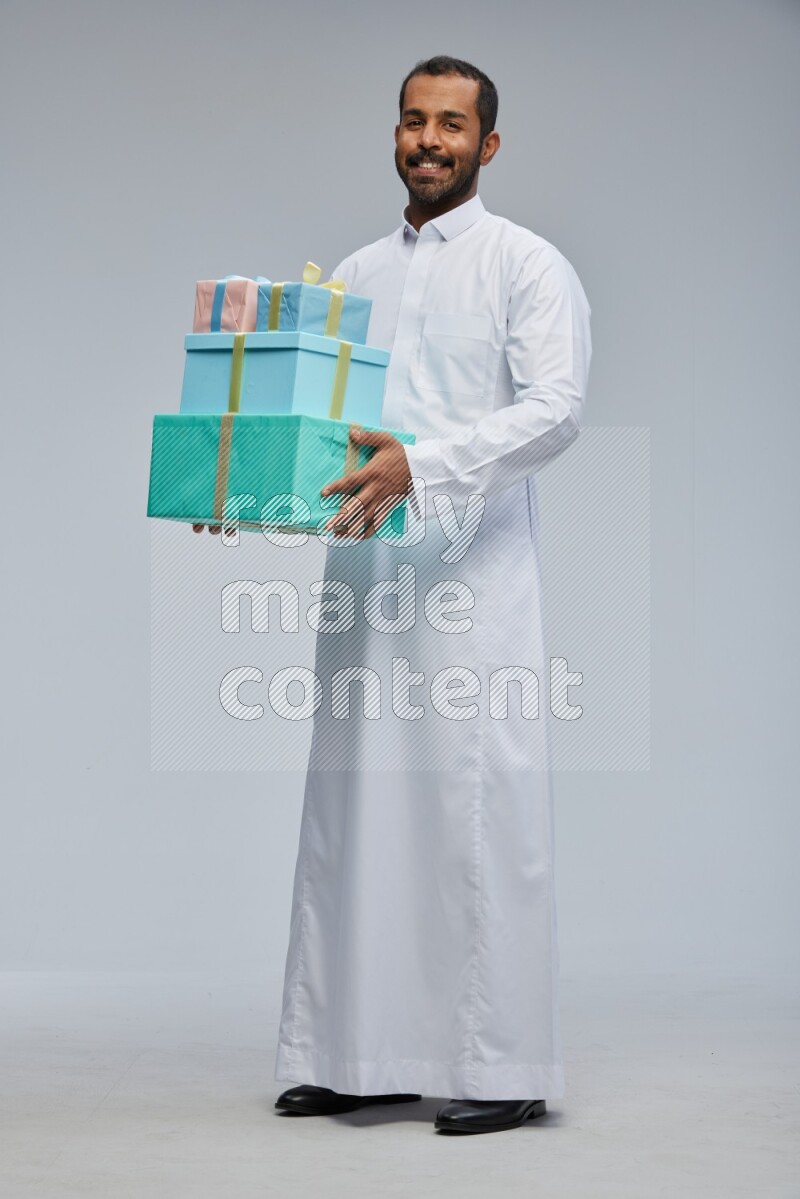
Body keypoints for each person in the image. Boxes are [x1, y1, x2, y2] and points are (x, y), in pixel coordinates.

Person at [266, 55, 591, 1136]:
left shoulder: (523, 264)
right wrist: (251, 493)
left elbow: (554, 409)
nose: (429, 140)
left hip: (470, 583)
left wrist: (428, 464)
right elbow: (319, 429)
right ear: (393, 134)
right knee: (355, 811)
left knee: (476, 812)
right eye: (413, 121)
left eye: (452, 125)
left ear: (486, 145)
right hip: (363, 576)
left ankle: (500, 1064)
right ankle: (353, 1053)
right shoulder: (353, 274)